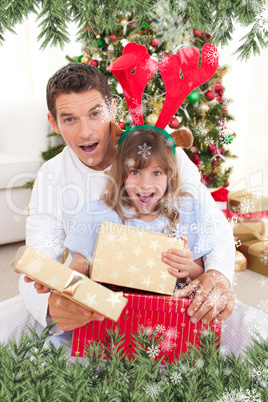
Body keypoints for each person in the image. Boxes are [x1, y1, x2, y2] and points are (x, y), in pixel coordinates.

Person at [1, 62, 235, 345]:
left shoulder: (162, 152)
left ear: (112, 110)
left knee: (250, 332)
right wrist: (51, 304)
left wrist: (217, 273)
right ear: (54, 123)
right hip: (98, 301)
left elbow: (212, 223)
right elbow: (43, 254)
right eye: (70, 119)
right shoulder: (51, 176)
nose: (86, 132)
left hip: (169, 301)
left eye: (95, 113)